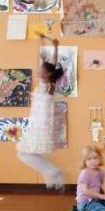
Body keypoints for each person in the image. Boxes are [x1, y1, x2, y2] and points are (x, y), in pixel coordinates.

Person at [16, 34, 66, 190]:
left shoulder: (48, 85)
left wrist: (43, 42)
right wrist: (53, 45)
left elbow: (48, 62)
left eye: (42, 70)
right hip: (38, 125)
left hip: (40, 127)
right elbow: (51, 63)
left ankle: (51, 171)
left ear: (47, 74)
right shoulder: (47, 83)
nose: (39, 70)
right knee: (26, 153)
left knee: (23, 153)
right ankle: (51, 172)